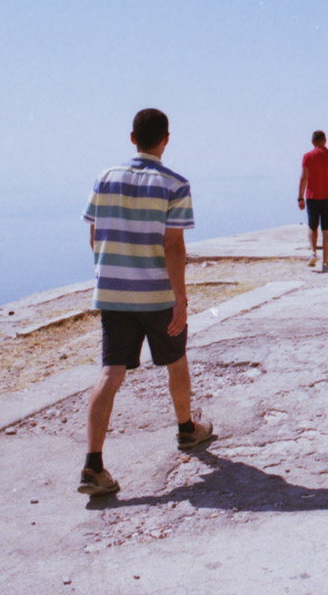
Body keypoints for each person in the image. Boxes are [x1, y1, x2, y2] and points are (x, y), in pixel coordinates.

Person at [78, 108, 214, 497]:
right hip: (156, 295)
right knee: (176, 360)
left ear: (132, 138)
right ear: (166, 139)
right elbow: (173, 246)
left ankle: (93, 466)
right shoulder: (175, 184)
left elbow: (94, 236)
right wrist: (181, 299)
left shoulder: (104, 178)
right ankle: (187, 430)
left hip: (114, 294)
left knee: (110, 373)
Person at [298, 130, 328, 272]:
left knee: (312, 227)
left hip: (312, 196)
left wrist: (300, 197)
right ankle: (325, 263)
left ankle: (313, 252)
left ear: (313, 142)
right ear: (325, 140)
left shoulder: (307, 156)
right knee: (327, 231)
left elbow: (303, 177)